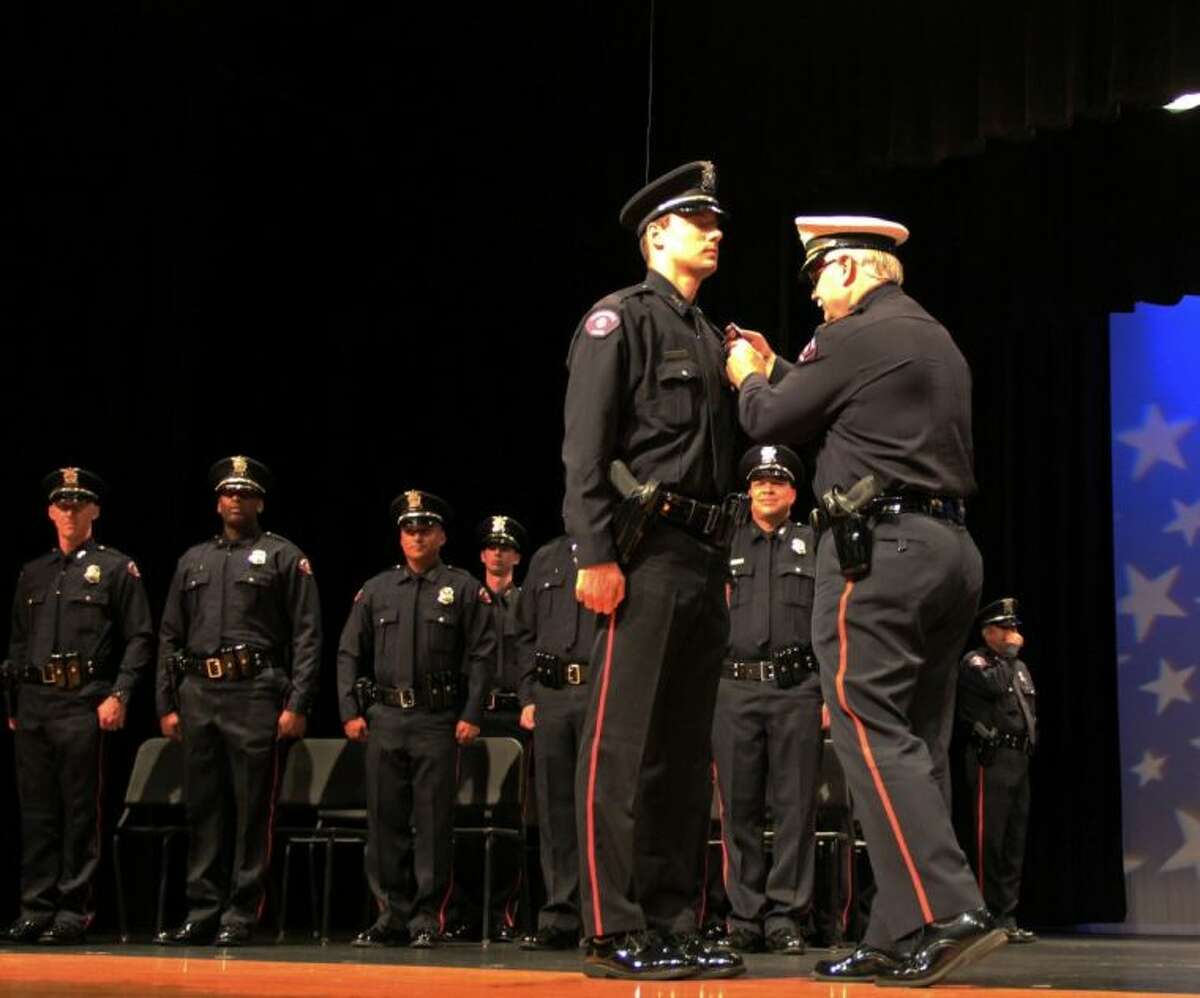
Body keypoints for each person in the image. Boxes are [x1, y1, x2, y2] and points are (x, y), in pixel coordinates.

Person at [726, 216, 1005, 987]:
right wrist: (782, 363)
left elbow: (766, 421)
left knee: (868, 727)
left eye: (819, 276)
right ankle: (898, 930)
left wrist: (749, 373)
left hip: (878, 557)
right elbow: (839, 396)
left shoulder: (852, 337)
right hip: (949, 553)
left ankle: (947, 909)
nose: (815, 295)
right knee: (914, 740)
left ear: (850, 268)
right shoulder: (930, 336)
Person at [562, 160, 742, 980]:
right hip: (643, 551)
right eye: (696, 220)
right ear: (655, 235)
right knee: (621, 744)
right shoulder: (618, 320)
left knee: (680, 751)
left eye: (716, 221)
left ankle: (674, 915)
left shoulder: (710, 337)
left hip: (706, 554)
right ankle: (612, 923)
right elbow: (585, 453)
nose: (713, 232)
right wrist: (594, 553)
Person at [155, 456, 321, 947]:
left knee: (252, 809)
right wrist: (166, 702)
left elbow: (308, 635)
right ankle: (203, 909)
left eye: (245, 493)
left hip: (255, 692)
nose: (235, 500)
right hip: (199, 693)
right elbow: (170, 635)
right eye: (228, 492)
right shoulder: (194, 560)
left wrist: (297, 702)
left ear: (259, 502)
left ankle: (241, 912)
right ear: (217, 500)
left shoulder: (283, 557)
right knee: (203, 809)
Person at [336, 490, 494, 948]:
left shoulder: (463, 588)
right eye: (409, 528)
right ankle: (391, 915)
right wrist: (350, 710)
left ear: (442, 535)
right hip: (385, 716)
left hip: (436, 718)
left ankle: (428, 917)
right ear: (400, 536)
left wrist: (472, 713)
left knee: (431, 822)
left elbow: (482, 655)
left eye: (425, 527)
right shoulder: (378, 589)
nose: (417, 535)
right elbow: (349, 651)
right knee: (384, 822)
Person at [2, 468, 153, 944]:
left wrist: (120, 693)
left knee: (79, 810)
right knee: (38, 811)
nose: (69, 511)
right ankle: (35, 906)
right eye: (61, 504)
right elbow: (18, 641)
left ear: (95, 511)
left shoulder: (114, 568)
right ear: (50, 511)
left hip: (84, 701)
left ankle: (74, 910)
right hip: (35, 703)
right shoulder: (34, 572)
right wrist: (14, 702)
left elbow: (140, 637)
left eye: (78, 503)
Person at [712, 445, 821, 956]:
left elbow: (828, 625)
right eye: (759, 481)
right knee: (739, 809)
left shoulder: (814, 545)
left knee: (795, 806)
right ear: (749, 490)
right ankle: (744, 915)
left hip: (797, 687)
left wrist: (824, 689)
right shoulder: (725, 544)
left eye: (778, 481)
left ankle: (786, 916)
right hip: (734, 688)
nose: (768, 488)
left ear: (793, 493)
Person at [511, 534, 603, 951]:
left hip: (596, 690)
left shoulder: (613, 551)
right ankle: (560, 915)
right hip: (551, 695)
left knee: (598, 806)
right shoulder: (545, 557)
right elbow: (524, 632)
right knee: (554, 809)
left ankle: (599, 917)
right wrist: (529, 694)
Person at [957, 597, 1037, 944]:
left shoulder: (1018, 667)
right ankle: (985, 915)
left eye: (1015, 628)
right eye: (1006, 629)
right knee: (988, 840)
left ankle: (1007, 916)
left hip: (1018, 760)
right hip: (991, 759)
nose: (1013, 635)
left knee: (1013, 842)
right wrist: (1006, 655)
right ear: (989, 632)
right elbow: (991, 687)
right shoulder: (977, 662)